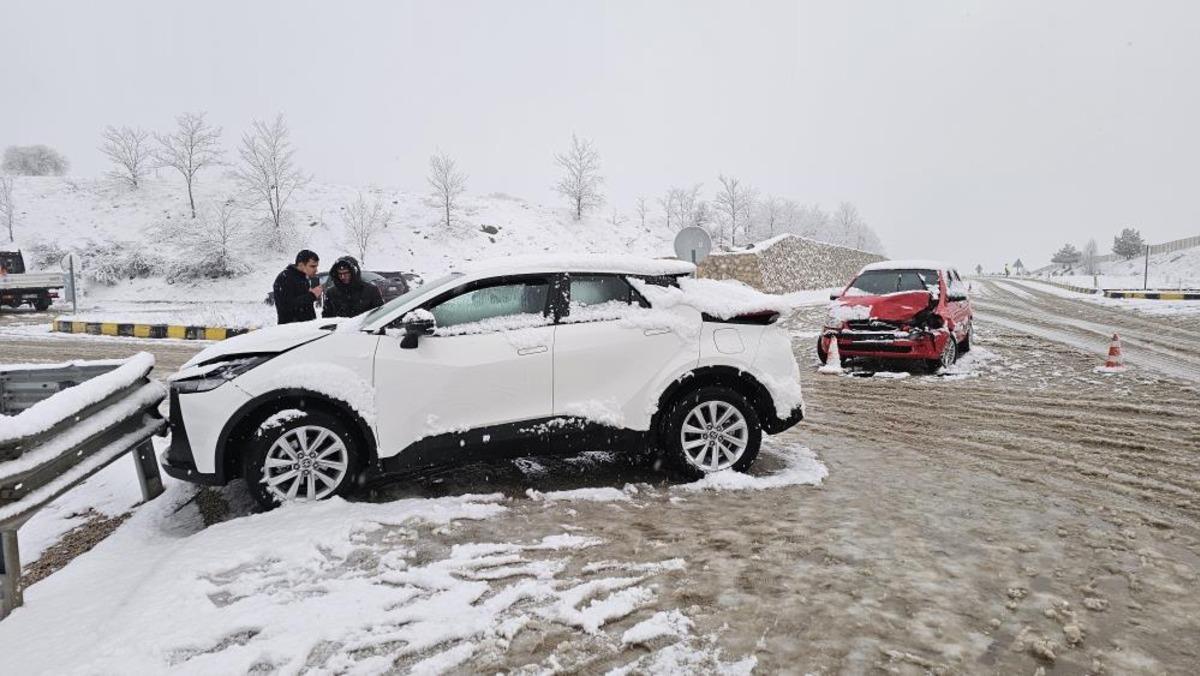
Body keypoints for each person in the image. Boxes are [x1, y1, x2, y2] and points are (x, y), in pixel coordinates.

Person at [273, 249, 322, 324]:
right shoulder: (285, 278)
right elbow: (286, 306)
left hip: (306, 327)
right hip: (292, 328)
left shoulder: (302, 278)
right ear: (301, 265)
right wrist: (312, 295)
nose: (316, 270)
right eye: (312, 266)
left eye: (316, 266)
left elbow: (305, 306)